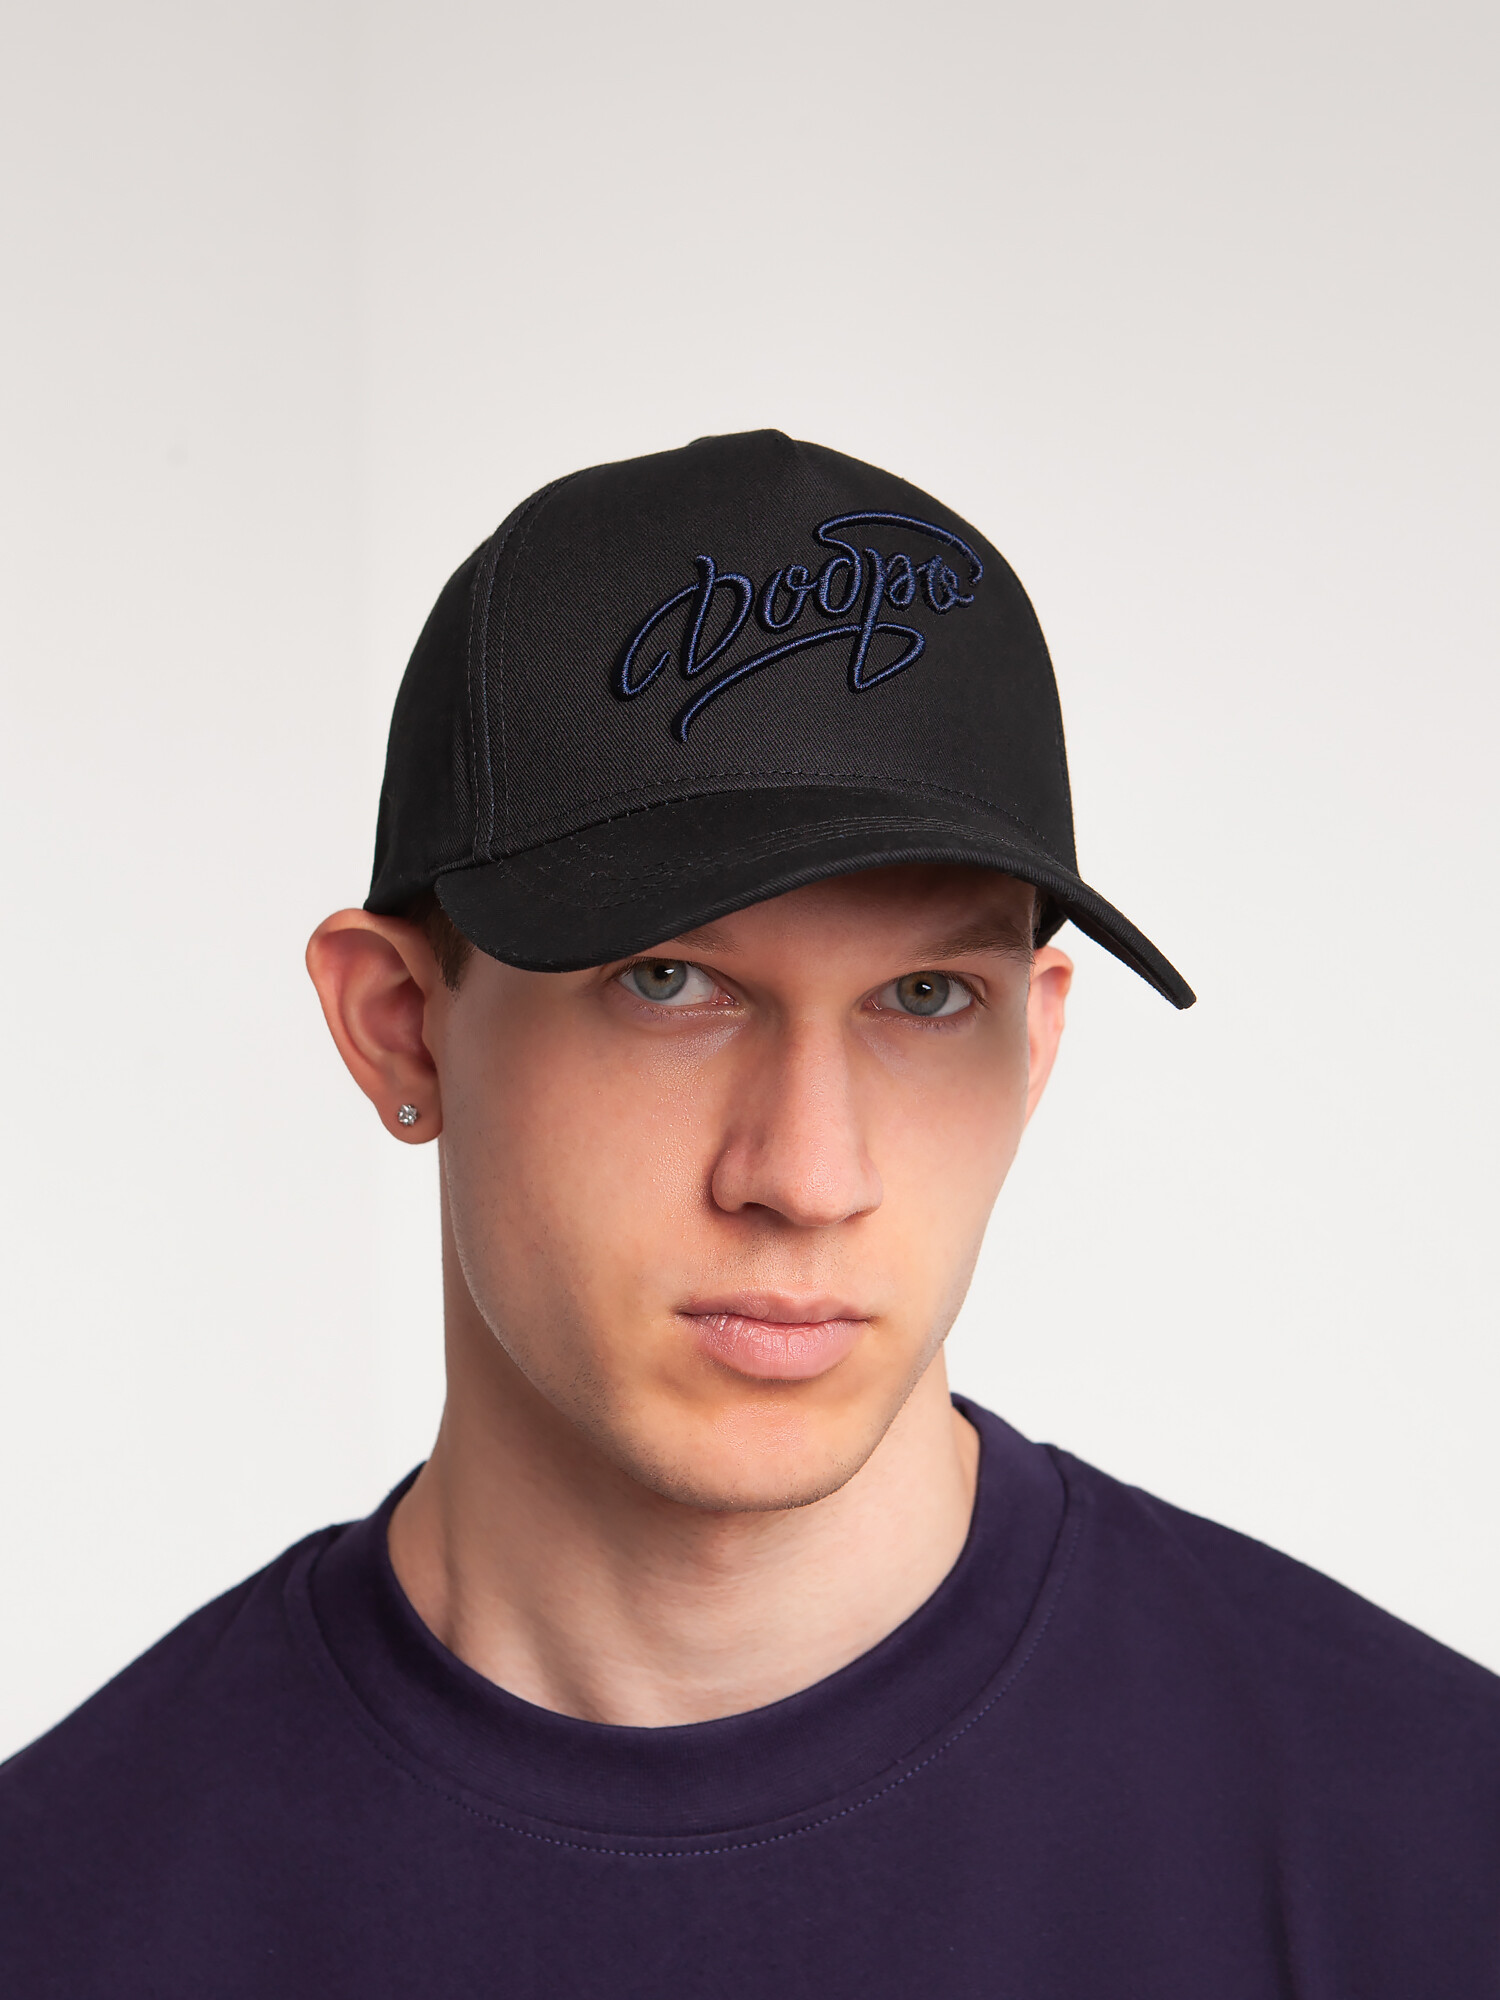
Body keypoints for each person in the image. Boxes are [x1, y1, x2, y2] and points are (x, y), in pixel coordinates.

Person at [2, 430, 1496, 1996]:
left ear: (1036, 1045)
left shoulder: (1434, 1854)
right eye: (670, 980)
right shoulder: (64, 1912)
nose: (806, 1174)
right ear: (400, 1026)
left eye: (927, 996)